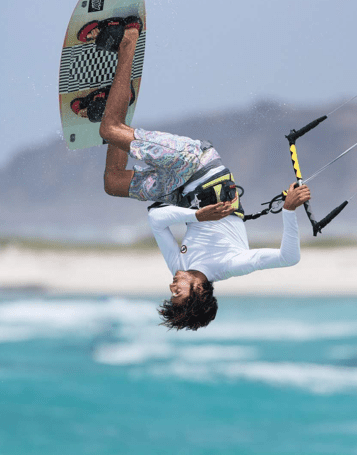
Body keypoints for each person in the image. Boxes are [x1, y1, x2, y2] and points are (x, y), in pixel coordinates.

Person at [97, 20, 311, 331]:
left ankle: (118, 105)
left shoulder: (179, 266)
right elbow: (289, 258)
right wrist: (289, 211)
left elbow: (156, 221)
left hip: (181, 192)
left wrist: (197, 216)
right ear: (199, 292)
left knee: (113, 183)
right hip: (196, 163)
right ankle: (128, 40)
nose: (171, 290)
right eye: (178, 297)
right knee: (109, 131)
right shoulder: (230, 266)